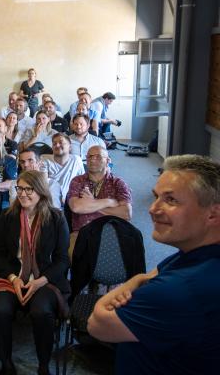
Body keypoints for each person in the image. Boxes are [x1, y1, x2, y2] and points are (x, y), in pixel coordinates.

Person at [87, 155, 220, 374]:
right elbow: (150, 275)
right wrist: (140, 279)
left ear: (213, 214)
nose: (152, 209)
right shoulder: (193, 256)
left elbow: (97, 324)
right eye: (156, 197)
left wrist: (132, 285)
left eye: (171, 200)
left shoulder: (181, 289)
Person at [0, 170, 70, 375]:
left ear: (41, 192)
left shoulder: (56, 218)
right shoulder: (8, 217)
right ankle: (5, 363)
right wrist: (13, 278)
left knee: (41, 311)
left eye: (28, 189)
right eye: (19, 188)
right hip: (12, 277)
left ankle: (43, 364)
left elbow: (62, 260)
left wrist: (40, 281)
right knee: (0, 310)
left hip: (44, 278)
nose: (22, 194)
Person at [67, 146, 132, 255]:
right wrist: (109, 202)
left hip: (112, 232)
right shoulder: (77, 181)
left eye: (98, 157)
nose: (92, 160)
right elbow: (76, 207)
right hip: (81, 233)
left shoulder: (118, 183)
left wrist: (91, 203)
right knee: (74, 253)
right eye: (90, 157)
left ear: (107, 161)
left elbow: (126, 213)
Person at [41, 133, 85, 205]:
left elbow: (82, 182)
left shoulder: (76, 160)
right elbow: (43, 185)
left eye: (61, 142)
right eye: (54, 144)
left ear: (70, 147)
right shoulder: (45, 159)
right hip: (50, 200)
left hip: (72, 199)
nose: (57, 145)